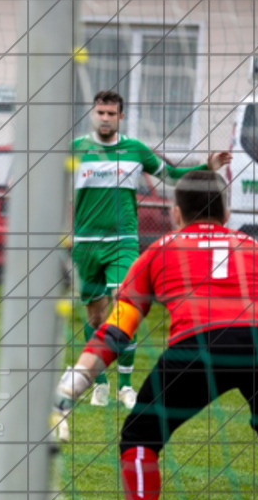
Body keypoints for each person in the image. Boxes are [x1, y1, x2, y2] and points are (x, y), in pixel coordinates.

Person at [56, 171, 258, 500]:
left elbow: (116, 330)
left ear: (174, 214)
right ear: (226, 212)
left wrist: (75, 383)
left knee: (139, 437)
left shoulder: (157, 250)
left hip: (197, 346)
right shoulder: (256, 248)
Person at [70, 89, 230, 409]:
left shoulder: (134, 150)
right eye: (100, 113)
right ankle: (100, 384)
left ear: (120, 117)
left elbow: (170, 176)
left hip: (123, 242)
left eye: (110, 114)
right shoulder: (76, 150)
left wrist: (206, 167)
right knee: (95, 314)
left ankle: (126, 385)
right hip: (85, 244)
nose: (104, 118)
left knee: (123, 305)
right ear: (93, 114)